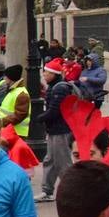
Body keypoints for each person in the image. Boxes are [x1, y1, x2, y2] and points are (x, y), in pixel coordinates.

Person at [38, 58, 75, 202]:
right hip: (55, 130)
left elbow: (55, 110)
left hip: (61, 130)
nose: (44, 75)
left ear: (54, 74)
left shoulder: (60, 88)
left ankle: (72, 191)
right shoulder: (56, 87)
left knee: (63, 161)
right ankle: (47, 190)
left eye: (46, 73)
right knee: (50, 160)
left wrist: (41, 118)